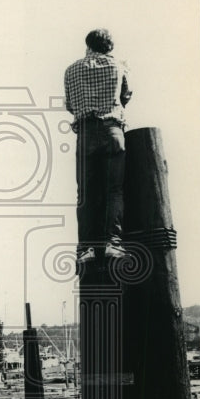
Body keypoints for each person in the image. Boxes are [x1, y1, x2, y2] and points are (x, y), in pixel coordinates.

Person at [64, 28, 132, 265]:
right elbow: (125, 96)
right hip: (112, 131)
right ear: (109, 47)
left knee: (85, 194)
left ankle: (85, 249)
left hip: (85, 134)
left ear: (88, 45)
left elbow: (70, 105)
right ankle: (113, 243)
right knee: (114, 190)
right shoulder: (119, 66)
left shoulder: (71, 69)